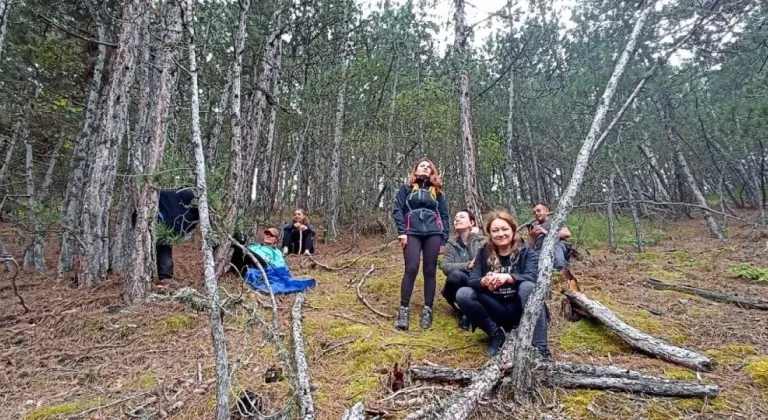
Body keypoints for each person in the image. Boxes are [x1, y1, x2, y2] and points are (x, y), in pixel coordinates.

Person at [456, 212, 550, 359]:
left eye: (504, 229)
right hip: (496, 308)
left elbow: (533, 277)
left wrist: (507, 277)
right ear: (490, 234)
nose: (500, 234)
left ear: (513, 230)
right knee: (463, 293)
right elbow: (472, 280)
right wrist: (484, 281)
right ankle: (496, 334)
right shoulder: (483, 252)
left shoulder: (526, 252)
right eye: (495, 231)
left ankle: (540, 348)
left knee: (528, 287)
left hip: (520, 308)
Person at [392, 158, 450, 331]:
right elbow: (397, 210)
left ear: (432, 173)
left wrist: (444, 239)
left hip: (434, 233)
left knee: (430, 271)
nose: (425, 168)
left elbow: (445, 216)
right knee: (411, 268)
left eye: (428, 167)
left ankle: (428, 310)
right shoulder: (406, 189)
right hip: (411, 232)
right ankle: (403, 311)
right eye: (422, 166)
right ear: (415, 171)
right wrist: (402, 231)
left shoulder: (437, 193)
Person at [441, 210, 485, 330]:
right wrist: (467, 265)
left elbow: (479, 263)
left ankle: (473, 311)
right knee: (455, 276)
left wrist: (472, 237)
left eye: (461, 217)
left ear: (471, 223)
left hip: (478, 283)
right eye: (455, 218)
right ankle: (462, 312)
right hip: (457, 284)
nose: (457, 220)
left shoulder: (482, 241)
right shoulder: (451, 243)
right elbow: (445, 266)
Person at [528, 203, 571, 270]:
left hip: (557, 247)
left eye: (539, 211)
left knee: (556, 246)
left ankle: (561, 271)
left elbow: (567, 233)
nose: (536, 213)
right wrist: (532, 236)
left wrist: (545, 232)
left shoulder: (555, 222)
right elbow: (531, 247)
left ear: (547, 211)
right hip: (541, 251)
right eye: (534, 212)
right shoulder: (534, 227)